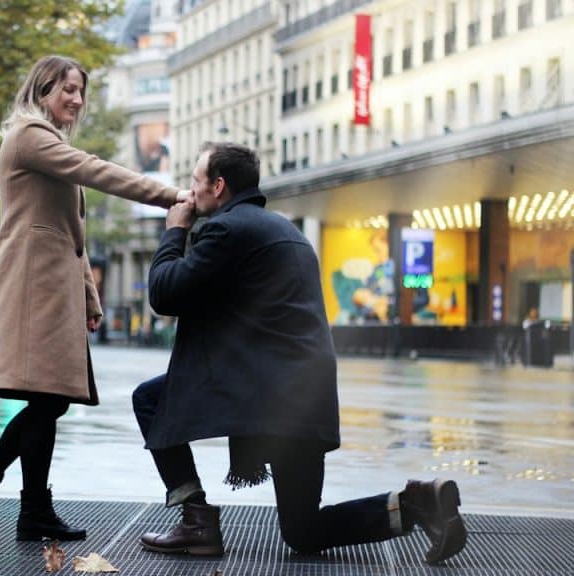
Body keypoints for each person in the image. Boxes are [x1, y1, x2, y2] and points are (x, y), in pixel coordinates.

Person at [131, 142, 467, 564]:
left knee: (149, 398)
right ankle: (418, 503)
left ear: (218, 186)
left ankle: (196, 520)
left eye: (197, 181)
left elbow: (164, 293)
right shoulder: (283, 229)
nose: (191, 191)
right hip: (304, 390)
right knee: (303, 530)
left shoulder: (228, 231)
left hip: (265, 387)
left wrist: (176, 231)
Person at [0, 55, 188, 541]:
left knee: (50, 400)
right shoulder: (30, 136)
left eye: (81, 91)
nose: (76, 100)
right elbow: (98, 171)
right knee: (49, 398)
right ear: (42, 91)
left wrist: (90, 298)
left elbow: (69, 235)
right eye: (68, 89)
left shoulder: (48, 142)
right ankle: (6, 493)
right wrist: (171, 196)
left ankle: (5, 493)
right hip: (32, 288)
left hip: (49, 289)